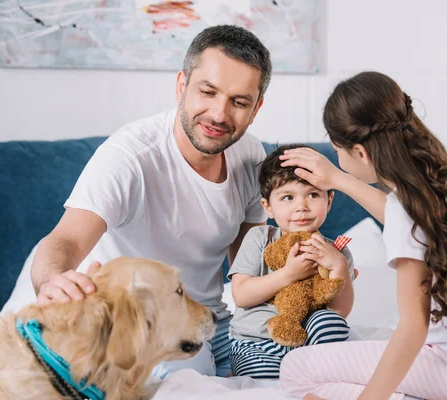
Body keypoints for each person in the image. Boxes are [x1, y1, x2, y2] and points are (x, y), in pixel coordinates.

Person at [29, 25, 272, 378]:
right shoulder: (130, 157)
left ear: (256, 108)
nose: (219, 114)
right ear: (181, 85)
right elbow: (64, 240)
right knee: (193, 378)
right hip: (140, 324)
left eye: (239, 102)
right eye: (208, 92)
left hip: (212, 321)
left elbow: (247, 265)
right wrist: (53, 279)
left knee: (284, 367)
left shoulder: (250, 154)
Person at [277, 72, 447, 400]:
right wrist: (337, 178)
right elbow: (405, 221)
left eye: (338, 149)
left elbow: (413, 329)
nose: (336, 156)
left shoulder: (404, 213)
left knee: (296, 368)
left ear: (361, 153)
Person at [227, 144, 355, 379]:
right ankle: (297, 376)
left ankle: (312, 374)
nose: (301, 207)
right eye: (287, 197)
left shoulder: (337, 251)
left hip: (306, 344)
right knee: (267, 382)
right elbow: (241, 295)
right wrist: (289, 274)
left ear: (329, 201)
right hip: (255, 342)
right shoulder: (260, 238)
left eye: (313, 195)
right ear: (268, 207)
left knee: (329, 322)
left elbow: (339, 312)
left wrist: (339, 267)